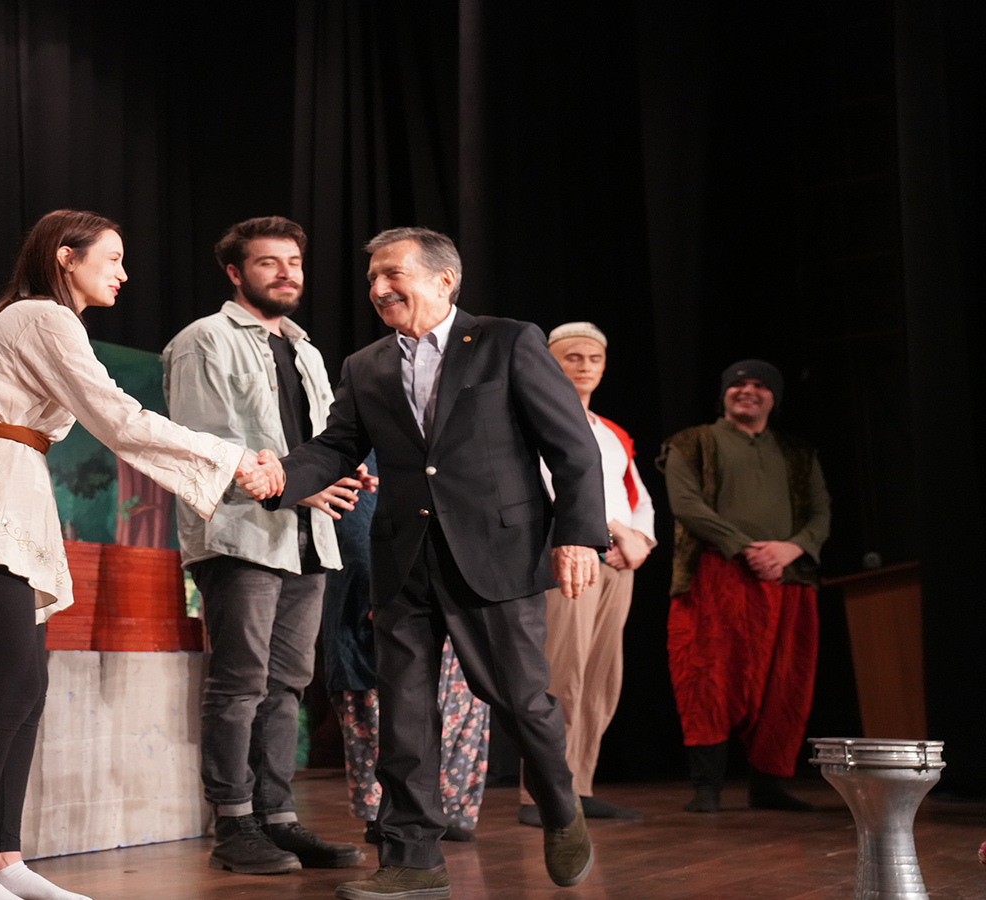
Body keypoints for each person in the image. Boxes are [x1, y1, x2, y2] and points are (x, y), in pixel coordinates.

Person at [0, 209, 285, 900]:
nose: (123, 272)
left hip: (14, 487)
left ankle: (3, 858)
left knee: (27, 689)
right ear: (65, 256)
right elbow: (118, 417)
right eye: (111, 257)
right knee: (9, 687)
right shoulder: (42, 317)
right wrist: (232, 459)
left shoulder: (50, 321)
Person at [265, 227, 606, 899]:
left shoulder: (508, 342)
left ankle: (560, 806)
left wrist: (578, 535)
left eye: (393, 273)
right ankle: (413, 858)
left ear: (445, 279)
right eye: (372, 278)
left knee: (519, 699)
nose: (379, 288)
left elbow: (572, 448)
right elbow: (337, 446)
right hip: (403, 560)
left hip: (496, 554)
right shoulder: (366, 365)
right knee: (406, 712)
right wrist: (279, 476)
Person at [161, 216, 369, 874]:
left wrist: (344, 474)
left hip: (308, 538)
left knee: (287, 686)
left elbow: (328, 439)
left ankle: (278, 819)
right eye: (268, 262)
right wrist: (296, 486)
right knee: (240, 684)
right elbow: (205, 445)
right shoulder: (203, 340)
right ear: (235, 273)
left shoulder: (307, 351)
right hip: (241, 535)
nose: (286, 273)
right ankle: (233, 825)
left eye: (294, 263)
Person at [660, 359, 830, 813]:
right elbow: (686, 504)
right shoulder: (692, 443)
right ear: (724, 394)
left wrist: (791, 549)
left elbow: (821, 513)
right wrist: (744, 547)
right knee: (708, 679)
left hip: (786, 579)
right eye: (738, 384)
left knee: (783, 683)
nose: (748, 391)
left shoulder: (797, 453)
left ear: (775, 397)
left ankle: (768, 785)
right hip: (716, 576)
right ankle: (707, 788)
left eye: (760, 385)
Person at [514, 322, 655, 826]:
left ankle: (580, 783)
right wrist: (614, 530)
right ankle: (540, 793)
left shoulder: (611, 431)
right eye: (573, 357)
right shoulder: (534, 416)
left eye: (594, 358)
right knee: (562, 672)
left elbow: (636, 494)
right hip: (571, 553)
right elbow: (551, 484)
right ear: (551, 362)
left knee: (601, 677)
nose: (585, 366)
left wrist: (640, 543)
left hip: (618, 561)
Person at [324, 457, 491, 847]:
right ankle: (386, 812)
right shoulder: (365, 454)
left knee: (457, 703)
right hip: (381, 593)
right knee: (381, 706)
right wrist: (381, 589)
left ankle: (441, 808)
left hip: (447, 591)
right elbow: (355, 532)